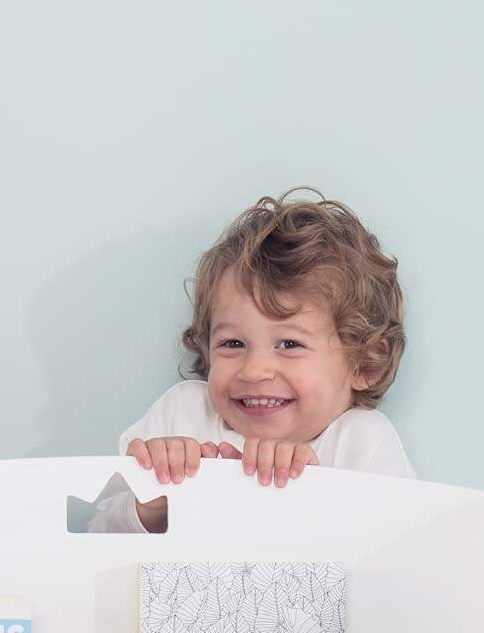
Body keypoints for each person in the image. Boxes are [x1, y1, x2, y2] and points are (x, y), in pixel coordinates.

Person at [121, 190, 413, 487]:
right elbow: (98, 525)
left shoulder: (362, 443)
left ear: (364, 364)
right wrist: (151, 500)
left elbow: (400, 531)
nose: (254, 370)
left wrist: (309, 492)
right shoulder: (182, 414)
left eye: (290, 344)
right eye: (232, 343)